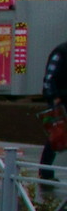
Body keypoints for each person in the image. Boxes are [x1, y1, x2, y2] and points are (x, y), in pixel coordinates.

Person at [41, 39, 67, 188]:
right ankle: (45, 173)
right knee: (57, 136)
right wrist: (53, 97)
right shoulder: (61, 52)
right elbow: (50, 77)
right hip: (60, 99)